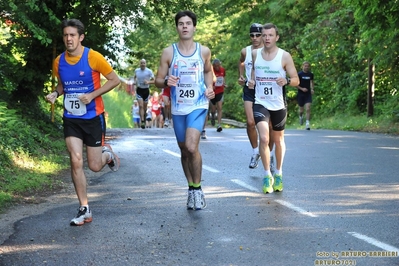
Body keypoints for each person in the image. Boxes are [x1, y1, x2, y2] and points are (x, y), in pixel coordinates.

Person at [45, 19, 120, 226]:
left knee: (95, 166)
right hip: (72, 119)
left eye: (72, 35)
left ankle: (107, 155)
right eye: (65, 35)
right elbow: (63, 85)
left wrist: (92, 95)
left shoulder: (93, 57)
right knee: (75, 160)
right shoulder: (58, 61)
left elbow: (115, 80)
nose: (68, 39)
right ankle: (84, 208)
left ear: (81, 37)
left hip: (93, 117)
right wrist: (55, 93)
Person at [155, 10, 215, 210]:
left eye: (188, 23)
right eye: (181, 23)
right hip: (178, 108)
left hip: (198, 105)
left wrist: (209, 88)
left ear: (194, 27)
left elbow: (208, 72)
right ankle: (190, 188)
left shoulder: (203, 51)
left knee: (191, 147)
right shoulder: (168, 52)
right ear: (177, 27)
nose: (185, 27)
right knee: (183, 150)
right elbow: (157, 80)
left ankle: (198, 189)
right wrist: (166, 81)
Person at [248, 23, 299, 194]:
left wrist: (287, 81)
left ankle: (279, 173)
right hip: (260, 102)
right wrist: (251, 81)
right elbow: (254, 74)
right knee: (264, 138)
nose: (267, 38)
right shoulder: (255, 54)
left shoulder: (284, 56)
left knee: (278, 141)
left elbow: (296, 79)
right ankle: (266, 175)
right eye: (264, 35)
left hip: (278, 104)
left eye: (270, 35)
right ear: (261, 37)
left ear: (276, 37)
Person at [238, 23, 264, 169]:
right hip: (249, 89)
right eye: (252, 35)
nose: (255, 38)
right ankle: (255, 152)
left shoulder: (268, 51)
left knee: (269, 126)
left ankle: (270, 153)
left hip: (265, 90)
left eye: (258, 35)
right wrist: (241, 76)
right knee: (250, 122)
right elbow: (241, 62)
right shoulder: (245, 51)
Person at [134, 59, 155, 129]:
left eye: (144, 63)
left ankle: (144, 118)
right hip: (139, 90)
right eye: (141, 63)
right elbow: (134, 77)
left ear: (146, 64)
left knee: (145, 108)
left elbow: (155, 80)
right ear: (139, 64)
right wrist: (135, 82)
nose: (143, 64)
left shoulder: (149, 71)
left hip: (146, 90)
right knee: (140, 106)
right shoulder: (137, 71)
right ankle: (142, 120)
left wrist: (148, 82)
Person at [296, 61, 314, 130]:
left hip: (308, 94)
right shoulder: (299, 74)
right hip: (301, 94)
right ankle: (300, 117)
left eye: (308, 66)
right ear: (302, 66)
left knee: (308, 108)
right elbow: (295, 84)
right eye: (305, 66)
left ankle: (307, 124)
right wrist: (302, 88)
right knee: (301, 110)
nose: (306, 67)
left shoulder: (310, 74)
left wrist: (312, 89)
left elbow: (312, 82)